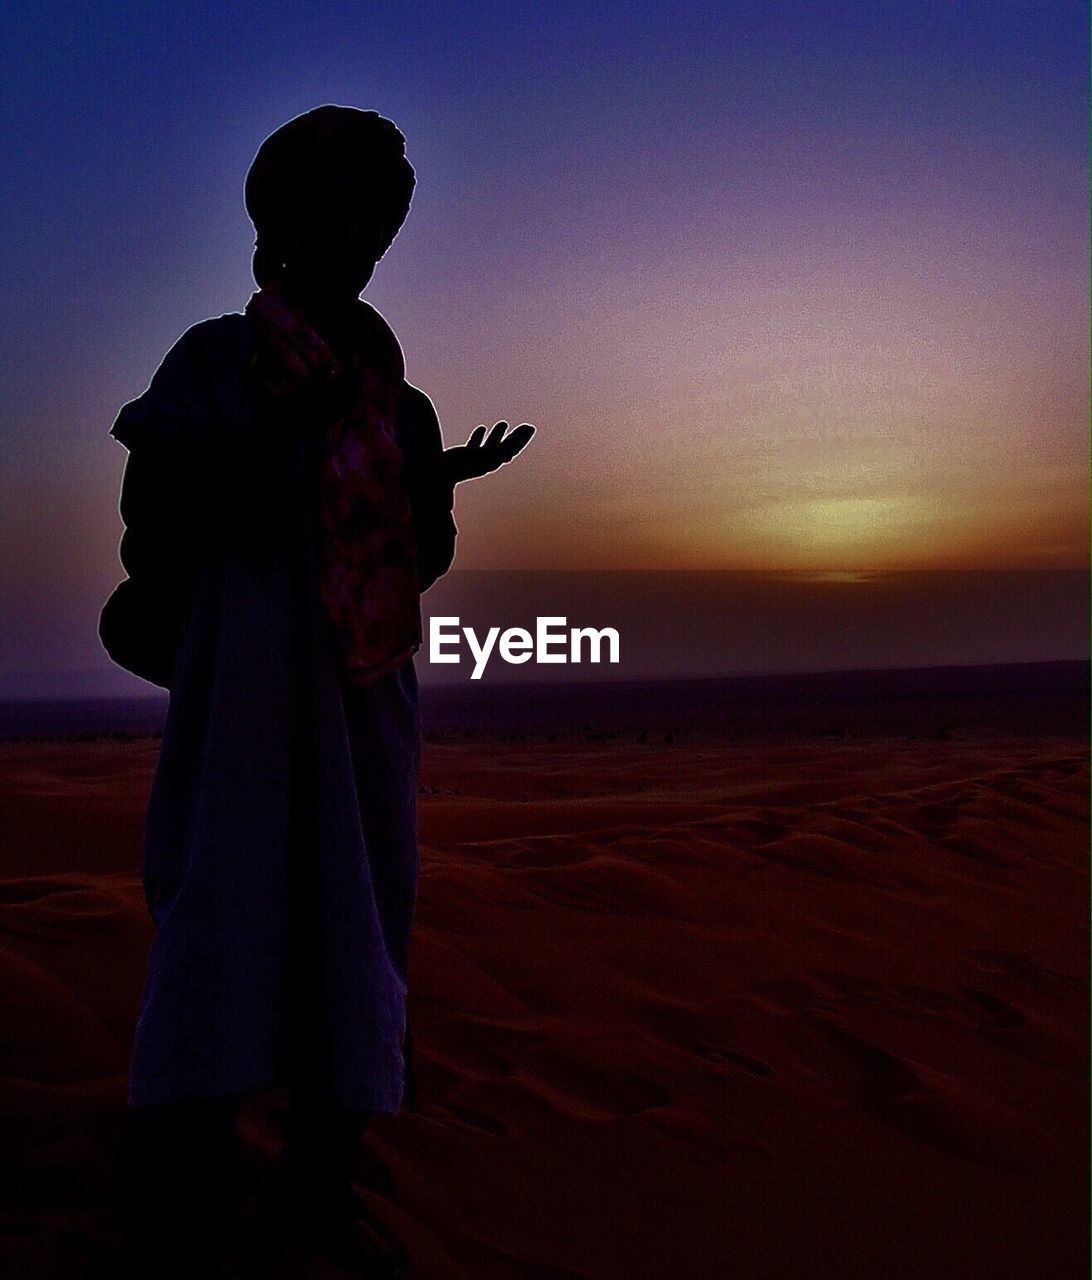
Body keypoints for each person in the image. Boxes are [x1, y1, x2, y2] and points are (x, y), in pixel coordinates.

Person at [100, 104, 534, 1277]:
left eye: (375, 215)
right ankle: (179, 1183)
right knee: (220, 908)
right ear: (281, 226)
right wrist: (269, 449)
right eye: (337, 208)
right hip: (243, 694)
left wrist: (415, 492)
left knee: (358, 918)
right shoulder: (213, 362)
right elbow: (157, 538)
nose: (359, 235)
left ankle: (317, 1183)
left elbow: (422, 556)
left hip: (363, 705)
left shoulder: (402, 406)